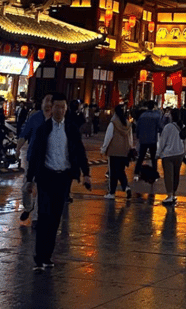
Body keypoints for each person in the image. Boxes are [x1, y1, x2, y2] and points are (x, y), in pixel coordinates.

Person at [25, 93, 91, 271]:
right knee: (44, 216)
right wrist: (29, 179)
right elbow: (35, 155)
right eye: (57, 107)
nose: (60, 110)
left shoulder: (70, 129)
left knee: (55, 218)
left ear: (66, 109)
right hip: (46, 176)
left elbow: (79, 151)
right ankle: (39, 258)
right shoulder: (44, 129)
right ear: (51, 108)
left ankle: (47, 256)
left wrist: (86, 173)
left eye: (63, 107)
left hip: (63, 178)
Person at [18, 94, 53, 223]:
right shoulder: (35, 117)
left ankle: (36, 218)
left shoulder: (58, 119)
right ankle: (28, 207)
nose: (48, 105)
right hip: (33, 157)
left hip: (49, 160)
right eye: (46, 101)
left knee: (42, 189)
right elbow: (25, 134)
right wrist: (17, 149)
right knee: (26, 187)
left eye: (50, 102)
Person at [101, 104, 133, 199]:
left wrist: (103, 149)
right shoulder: (127, 124)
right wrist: (130, 148)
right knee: (120, 171)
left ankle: (112, 192)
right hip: (124, 151)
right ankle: (126, 187)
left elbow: (108, 137)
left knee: (113, 173)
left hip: (113, 151)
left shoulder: (113, 123)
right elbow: (130, 139)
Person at [158, 108, 184, 205]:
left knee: (168, 175)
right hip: (179, 153)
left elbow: (162, 141)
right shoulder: (182, 126)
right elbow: (185, 140)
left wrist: (158, 153)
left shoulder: (168, 127)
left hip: (168, 154)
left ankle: (169, 195)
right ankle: (174, 193)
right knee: (176, 175)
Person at [133, 100, 162, 182]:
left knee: (141, 157)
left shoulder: (142, 116)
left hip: (143, 139)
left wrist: (138, 135)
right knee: (153, 158)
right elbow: (160, 127)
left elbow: (138, 127)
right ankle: (154, 173)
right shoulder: (156, 116)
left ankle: (136, 172)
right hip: (153, 139)